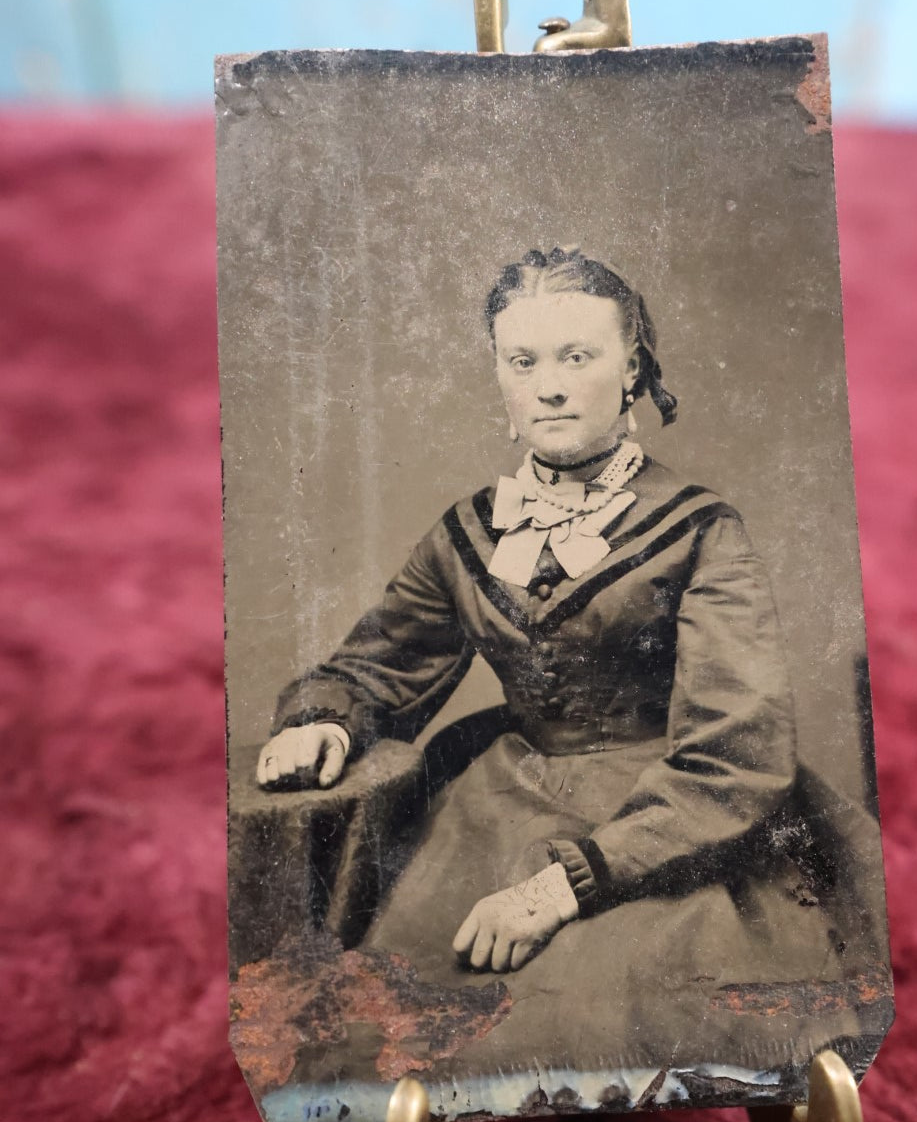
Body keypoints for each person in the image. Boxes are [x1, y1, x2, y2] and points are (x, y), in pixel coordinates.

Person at [254, 247, 883, 1079]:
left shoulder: (700, 529)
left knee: (619, 1001)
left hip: (669, 833)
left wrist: (561, 888)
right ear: (503, 385)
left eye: (577, 357)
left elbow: (738, 751)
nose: (548, 384)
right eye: (524, 361)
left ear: (631, 372)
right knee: (398, 1012)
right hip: (499, 807)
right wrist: (322, 718)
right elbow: (380, 664)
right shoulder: (469, 532)